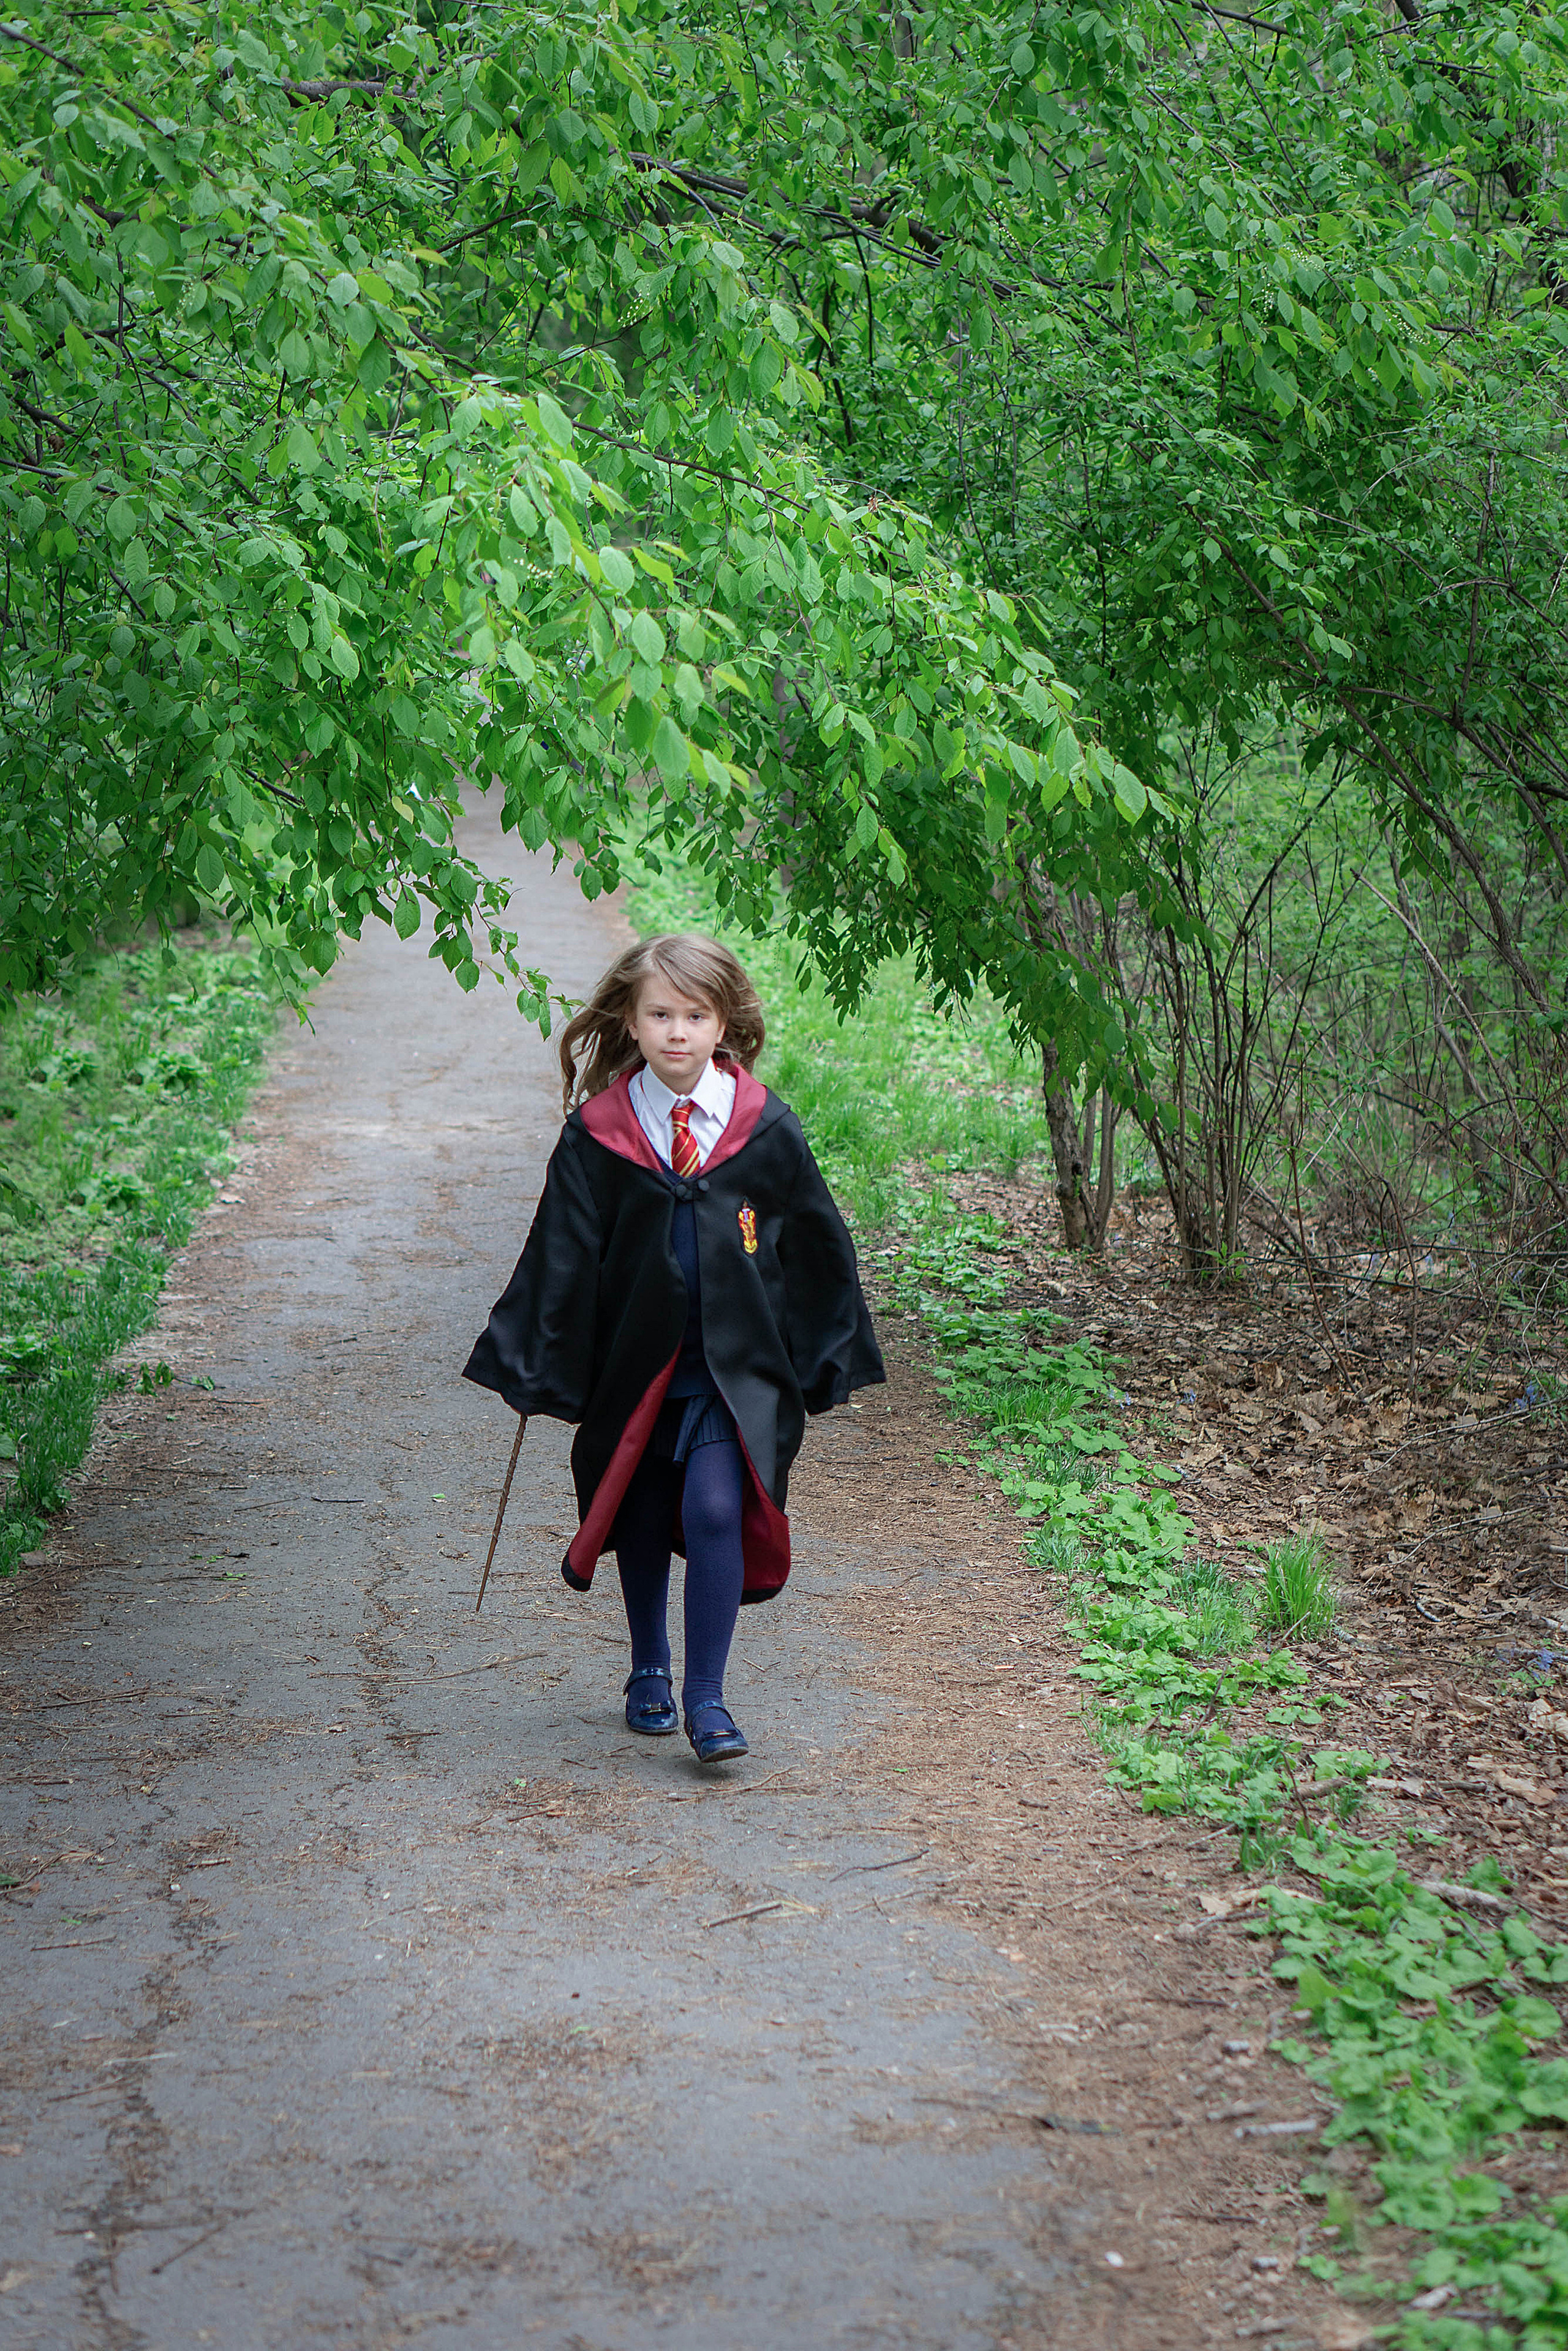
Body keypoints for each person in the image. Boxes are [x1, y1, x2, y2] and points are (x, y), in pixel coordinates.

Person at [463, 933, 884, 1764]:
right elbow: (563, 1249)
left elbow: (812, 1240)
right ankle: (648, 1666)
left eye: (696, 1014)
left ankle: (707, 1696)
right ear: (631, 1017)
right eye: (661, 1013)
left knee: (718, 1506)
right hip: (639, 1364)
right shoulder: (603, 1133)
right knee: (646, 1511)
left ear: (723, 1020)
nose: (679, 1031)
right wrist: (533, 1354)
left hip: (735, 1369)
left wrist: (826, 1351)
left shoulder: (762, 1129)